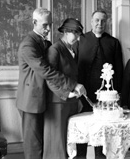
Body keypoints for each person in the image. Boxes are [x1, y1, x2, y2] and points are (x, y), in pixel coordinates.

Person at [16, 8, 78, 159]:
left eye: (50, 24)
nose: (49, 29)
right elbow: (45, 71)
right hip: (30, 101)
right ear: (34, 23)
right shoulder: (28, 44)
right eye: (45, 25)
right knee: (34, 147)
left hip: (43, 99)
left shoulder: (46, 43)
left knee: (43, 146)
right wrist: (72, 85)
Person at [74, 10, 124, 157]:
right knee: (82, 129)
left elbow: (119, 69)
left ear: (107, 22)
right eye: (96, 20)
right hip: (83, 92)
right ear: (91, 21)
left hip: (106, 95)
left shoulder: (113, 42)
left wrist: (118, 93)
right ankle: (81, 156)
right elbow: (74, 65)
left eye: (103, 21)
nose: (99, 24)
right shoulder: (81, 40)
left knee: (102, 129)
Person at [43, 18, 87, 159]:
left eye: (79, 34)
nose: (78, 38)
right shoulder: (55, 49)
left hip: (70, 102)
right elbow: (50, 78)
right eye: (76, 34)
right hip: (58, 102)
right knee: (57, 142)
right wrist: (67, 93)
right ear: (66, 32)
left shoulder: (70, 49)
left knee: (68, 142)